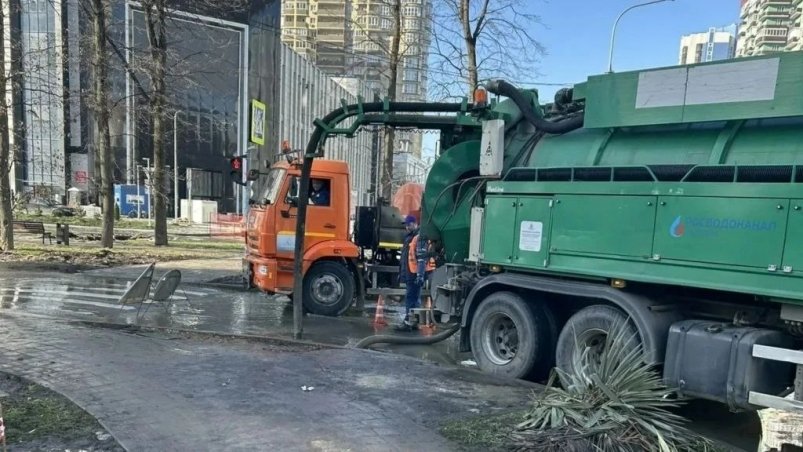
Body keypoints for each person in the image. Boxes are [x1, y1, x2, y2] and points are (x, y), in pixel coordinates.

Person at [396, 215, 435, 331]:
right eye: (406, 225)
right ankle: (413, 322)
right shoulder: (410, 237)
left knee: (411, 298)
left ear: (415, 224)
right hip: (411, 273)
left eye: (409, 225)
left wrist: (420, 275)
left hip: (414, 274)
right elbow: (406, 258)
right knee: (414, 298)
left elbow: (421, 259)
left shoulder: (418, 237)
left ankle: (409, 322)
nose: (407, 227)